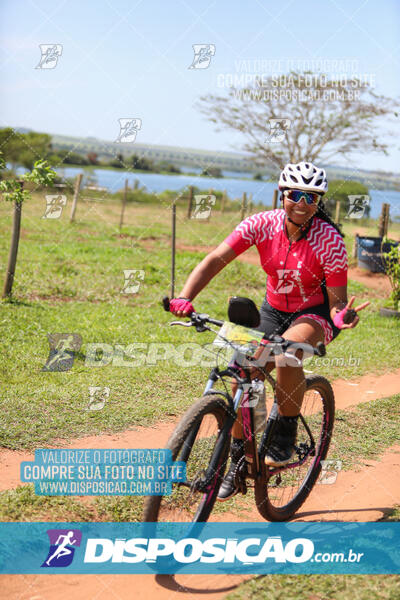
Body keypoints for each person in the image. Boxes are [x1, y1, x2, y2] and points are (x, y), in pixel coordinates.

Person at [169, 161, 370, 501]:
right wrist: (184, 298)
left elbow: (336, 302)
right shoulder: (260, 225)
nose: (303, 203)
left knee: (288, 352)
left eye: (311, 197)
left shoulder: (330, 241)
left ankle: (284, 434)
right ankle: (235, 458)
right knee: (243, 372)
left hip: (314, 313)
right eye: (296, 194)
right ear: (282, 194)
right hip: (273, 310)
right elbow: (216, 259)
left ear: (318, 201)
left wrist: (342, 317)